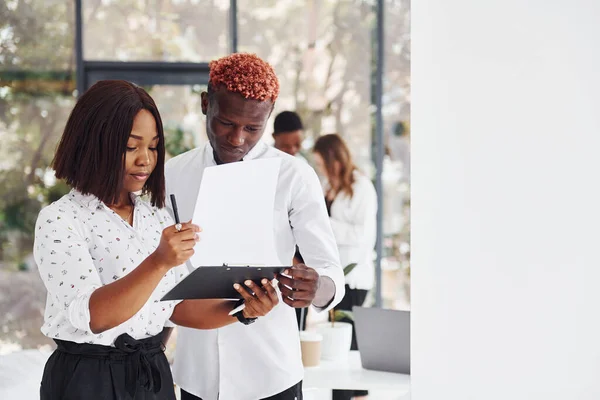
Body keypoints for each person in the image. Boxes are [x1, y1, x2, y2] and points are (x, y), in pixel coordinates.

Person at [33, 80, 279, 400]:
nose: (145, 160)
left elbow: (176, 308)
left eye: (152, 146)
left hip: (152, 375)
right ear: (93, 143)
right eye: (131, 146)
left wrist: (244, 309)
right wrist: (159, 261)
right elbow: (93, 316)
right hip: (87, 381)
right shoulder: (60, 219)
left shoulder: (155, 216)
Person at [165, 53, 345, 400]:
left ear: (269, 117)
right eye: (225, 123)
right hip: (196, 372)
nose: (236, 139)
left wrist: (317, 288)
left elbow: (330, 271)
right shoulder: (173, 173)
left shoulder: (295, 176)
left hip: (270, 371)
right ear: (206, 104)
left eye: (252, 128)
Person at [312, 134, 378, 400]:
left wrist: (326, 224)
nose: (319, 169)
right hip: (335, 274)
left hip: (354, 276)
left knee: (349, 346)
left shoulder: (362, 187)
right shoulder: (330, 185)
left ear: (333, 159)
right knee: (342, 346)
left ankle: (352, 396)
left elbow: (363, 237)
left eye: (321, 163)